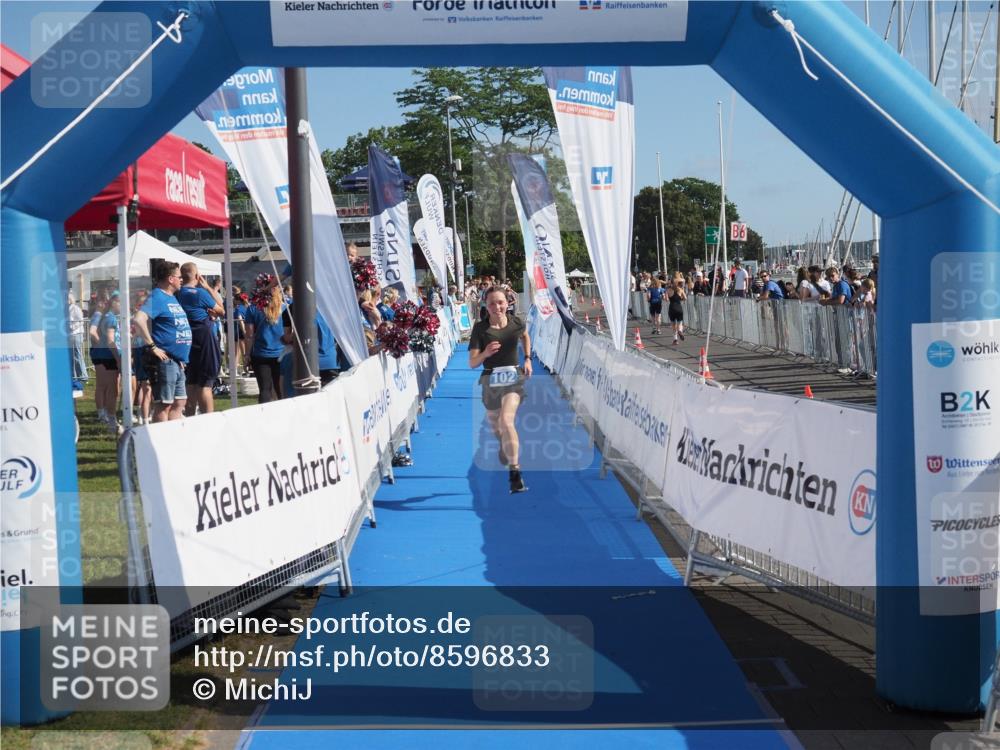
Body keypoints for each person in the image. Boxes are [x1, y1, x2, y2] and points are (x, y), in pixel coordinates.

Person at [468, 287, 532, 494]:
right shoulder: (480, 329)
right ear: (486, 305)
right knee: (496, 426)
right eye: (493, 303)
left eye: (501, 302)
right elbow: (472, 363)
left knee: (507, 420)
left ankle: (515, 474)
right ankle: (503, 444)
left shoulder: (516, 323)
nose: (497, 307)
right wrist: (485, 352)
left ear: (508, 303)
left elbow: (525, 337)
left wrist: (528, 359)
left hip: (513, 378)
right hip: (490, 379)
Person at [133, 262, 192, 422]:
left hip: (176, 361)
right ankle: (160, 440)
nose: (182, 280)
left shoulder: (171, 297)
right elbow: (139, 319)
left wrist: (179, 356)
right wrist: (152, 346)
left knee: (179, 402)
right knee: (164, 404)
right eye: (179, 277)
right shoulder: (158, 296)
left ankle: (172, 440)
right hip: (164, 361)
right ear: (170, 278)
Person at [177, 263, 224, 416]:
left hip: (186, 338)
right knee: (205, 384)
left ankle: (190, 417)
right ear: (197, 276)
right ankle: (207, 419)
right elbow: (222, 309)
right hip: (204, 339)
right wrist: (208, 288)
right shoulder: (200, 293)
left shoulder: (177, 294)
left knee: (191, 381)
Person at [244, 278, 287, 403]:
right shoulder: (285, 307)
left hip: (260, 353)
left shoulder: (253, 309)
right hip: (282, 353)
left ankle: (263, 417)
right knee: (281, 389)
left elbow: (249, 335)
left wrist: (247, 354)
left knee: (264, 389)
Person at [97, 292, 123, 433]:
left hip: (105, 356)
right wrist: (118, 359)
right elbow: (110, 340)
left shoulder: (107, 317)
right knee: (112, 390)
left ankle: (110, 419)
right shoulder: (111, 319)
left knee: (109, 389)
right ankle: (112, 422)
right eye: (121, 302)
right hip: (109, 357)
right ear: (114, 302)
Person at [68, 292, 88, 383]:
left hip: (76, 334)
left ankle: (83, 376)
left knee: (77, 355)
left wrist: (71, 327)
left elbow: (81, 321)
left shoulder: (75, 309)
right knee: (72, 356)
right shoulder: (66, 309)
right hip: (70, 335)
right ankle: (74, 376)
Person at [667, 277, 686, 345]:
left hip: (671, 308)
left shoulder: (669, 290)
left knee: (673, 325)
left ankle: (675, 339)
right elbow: (685, 298)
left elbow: (666, 298)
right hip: (679, 308)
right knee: (680, 323)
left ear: (671, 283)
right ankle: (680, 331)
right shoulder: (680, 289)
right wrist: (680, 298)